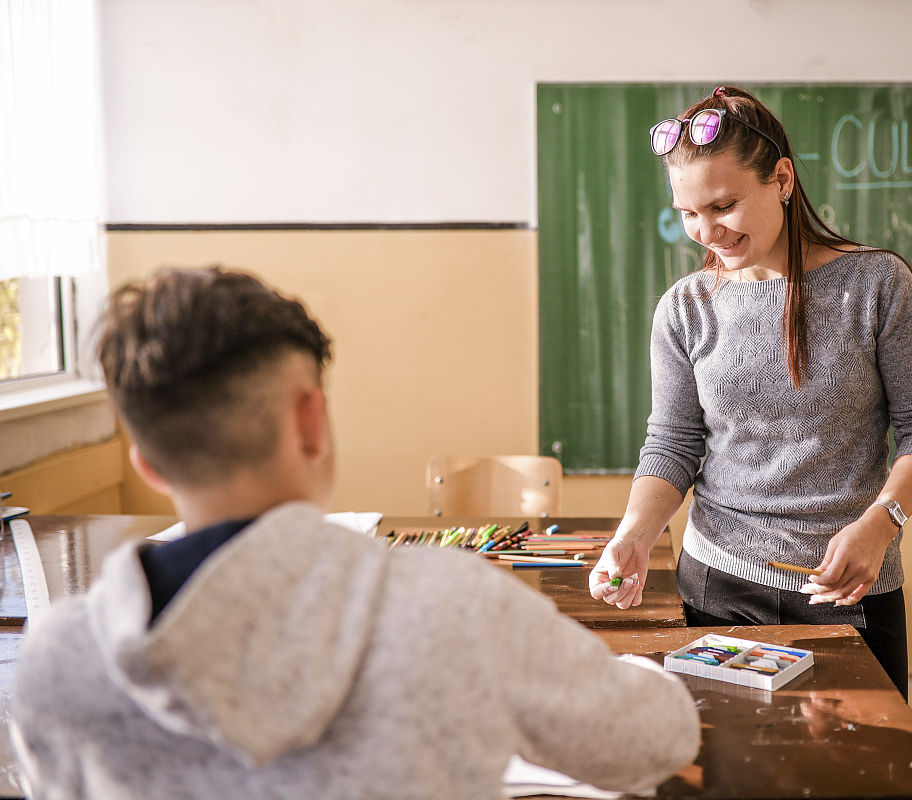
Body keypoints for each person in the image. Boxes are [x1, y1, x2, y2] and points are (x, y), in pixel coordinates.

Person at [12, 266, 700, 799]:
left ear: (148, 463)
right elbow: (658, 737)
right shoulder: (453, 606)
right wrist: (634, 672)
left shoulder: (55, 664)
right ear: (311, 422)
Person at [589, 87, 912, 701]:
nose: (706, 232)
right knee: (728, 774)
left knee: (860, 774)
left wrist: (882, 523)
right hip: (716, 588)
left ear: (782, 178)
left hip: (845, 591)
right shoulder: (685, 307)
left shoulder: (875, 284)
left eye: (724, 205)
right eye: (688, 213)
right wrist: (634, 534)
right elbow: (673, 443)